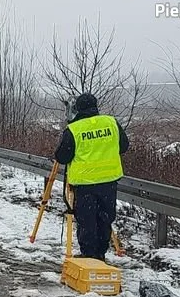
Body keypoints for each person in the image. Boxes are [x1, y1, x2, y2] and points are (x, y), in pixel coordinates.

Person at [53, 92, 129, 262]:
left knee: (87, 220)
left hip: (85, 183)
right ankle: (100, 253)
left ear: (77, 109)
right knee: (105, 217)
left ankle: (88, 255)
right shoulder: (111, 122)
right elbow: (124, 146)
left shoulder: (74, 129)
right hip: (109, 181)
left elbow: (62, 157)